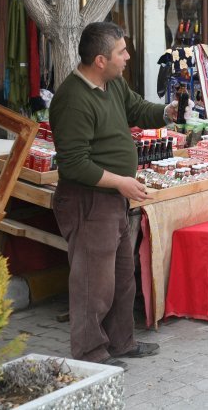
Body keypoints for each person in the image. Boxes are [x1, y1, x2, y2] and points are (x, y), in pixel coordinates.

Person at [49, 22, 182, 370]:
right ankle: (90, 353)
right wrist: (121, 182)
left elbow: (136, 108)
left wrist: (164, 113)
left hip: (114, 198)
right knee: (94, 283)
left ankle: (121, 342)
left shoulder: (112, 83)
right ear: (99, 60)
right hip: (88, 201)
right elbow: (74, 165)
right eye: (121, 52)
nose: (127, 57)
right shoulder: (72, 100)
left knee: (123, 276)